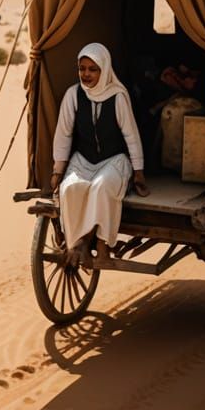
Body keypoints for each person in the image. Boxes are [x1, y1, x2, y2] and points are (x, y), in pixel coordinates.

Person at [50, 43, 150, 267]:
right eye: (82, 68)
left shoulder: (118, 97)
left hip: (114, 160)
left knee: (101, 187)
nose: (86, 74)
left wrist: (139, 173)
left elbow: (131, 136)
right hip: (83, 159)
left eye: (92, 69)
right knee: (70, 188)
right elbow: (63, 134)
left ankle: (99, 245)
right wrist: (58, 170)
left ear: (104, 70)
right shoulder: (73, 95)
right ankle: (76, 244)